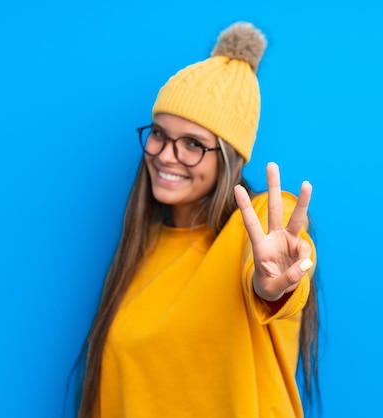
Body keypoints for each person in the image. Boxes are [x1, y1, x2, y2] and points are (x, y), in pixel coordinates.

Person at [76, 21, 320, 418]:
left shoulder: (255, 224)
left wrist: (272, 285)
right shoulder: (141, 251)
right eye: (159, 134)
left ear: (228, 158)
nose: (166, 155)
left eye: (193, 143)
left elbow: (273, 279)